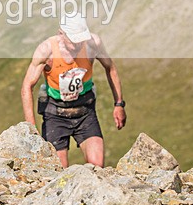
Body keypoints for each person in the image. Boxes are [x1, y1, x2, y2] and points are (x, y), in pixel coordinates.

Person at [20, 14, 126, 167]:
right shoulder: (46, 50)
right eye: (73, 40)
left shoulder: (92, 44)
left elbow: (110, 67)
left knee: (97, 167)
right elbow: (26, 86)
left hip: (85, 111)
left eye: (80, 39)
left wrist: (119, 104)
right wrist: (31, 128)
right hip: (55, 114)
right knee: (58, 171)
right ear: (61, 34)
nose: (77, 44)